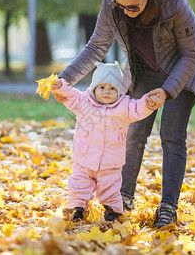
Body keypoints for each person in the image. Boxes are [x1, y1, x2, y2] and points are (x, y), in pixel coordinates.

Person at [54, 0, 195, 228]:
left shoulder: (174, 3)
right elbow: (96, 46)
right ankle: (123, 196)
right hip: (145, 70)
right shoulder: (111, 3)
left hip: (181, 71)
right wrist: (64, 79)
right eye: (121, 4)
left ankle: (168, 207)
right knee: (133, 132)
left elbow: (190, 54)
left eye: (133, 6)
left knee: (172, 136)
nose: (126, 10)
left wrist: (167, 90)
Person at [51, 62, 160, 222]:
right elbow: (69, 95)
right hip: (84, 159)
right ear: (94, 87)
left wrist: (147, 103)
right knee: (79, 185)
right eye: (102, 88)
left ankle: (113, 211)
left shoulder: (124, 107)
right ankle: (77, 208)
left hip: (110, 162)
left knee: (110, 189)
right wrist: (60, 85)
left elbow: (138, 108)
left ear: (119, 91)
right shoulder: (83, 102)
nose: (107, 92)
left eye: (112, 89)